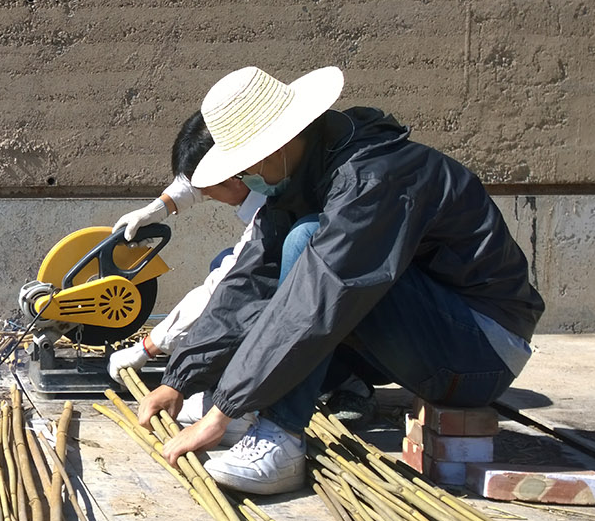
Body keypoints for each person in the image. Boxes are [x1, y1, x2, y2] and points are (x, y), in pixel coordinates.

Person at [136, 65, 543, 495]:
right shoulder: (309, 173)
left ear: (284, 144)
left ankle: (282, 436)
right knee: (281, 254)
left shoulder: (373, 177)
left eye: (249, 167)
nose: (247, 179)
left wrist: (224, 410)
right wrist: (178, 378)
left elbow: (324, 292)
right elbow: (249, 278)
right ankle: (258, 411)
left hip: (479, 353)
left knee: (307, 243)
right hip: (437, 336)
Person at [106, 115, 265, 448]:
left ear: (235, 177)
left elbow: (225, 290)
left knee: (229, 274)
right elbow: (199, 179)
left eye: (207, 190)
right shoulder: (254, 160)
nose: (202, 195)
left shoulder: (269, 212)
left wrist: (149, 346)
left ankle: (254, 408)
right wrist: (156, 209)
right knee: (220, 259)